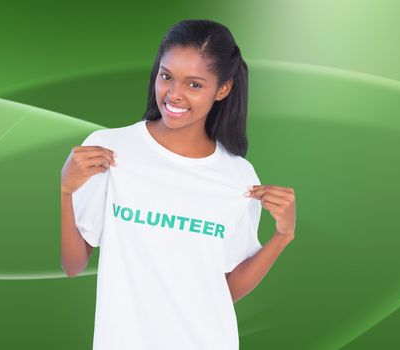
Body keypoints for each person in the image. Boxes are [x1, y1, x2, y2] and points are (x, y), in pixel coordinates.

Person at [60, 19, 297, 349]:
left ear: (223, 89)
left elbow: (224, 290)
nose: (174, 94)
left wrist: (283, 236)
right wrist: (66, 190)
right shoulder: (110, 151)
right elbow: (73, 265)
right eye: (166, 75)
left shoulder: (238, 177)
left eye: (195, 85)